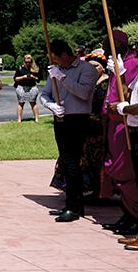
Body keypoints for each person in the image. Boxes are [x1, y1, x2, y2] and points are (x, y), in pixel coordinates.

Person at [39, 39, 100, 223]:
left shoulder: (86, 69)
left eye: (56, 58)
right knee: (65, 161)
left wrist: (63, 79)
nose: (55, 62)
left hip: (78, 119)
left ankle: (75, 207)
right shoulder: (56, 70)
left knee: (73, 162)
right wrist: (50, 105)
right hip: (61, 119)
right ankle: (71, 203)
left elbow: (84, 93)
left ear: (65, 54)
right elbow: (45, 93)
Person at [100, 30, 138, 236]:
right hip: (113, 122)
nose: (105, 47)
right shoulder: (117, 63)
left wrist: (121, 72)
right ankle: (128, 213)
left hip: (125, 122)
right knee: (115, 169)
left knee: (125, 171)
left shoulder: (131, 64)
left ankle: (134, 215)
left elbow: (128, 94)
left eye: (109, 44)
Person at [14, 54, 41, 122]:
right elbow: (15, 78)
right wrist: (23, 77)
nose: (28, 63)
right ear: (24, 61)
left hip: (32, 87)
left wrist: (33, 77)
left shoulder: (35, 68)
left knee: (33, 103)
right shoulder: (20, 68)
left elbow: (38, 80)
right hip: (21, 87)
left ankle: (36, 119)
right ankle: (19, 119)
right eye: (26, 62)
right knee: (21, 103)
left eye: (29, 62)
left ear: (32, 61)